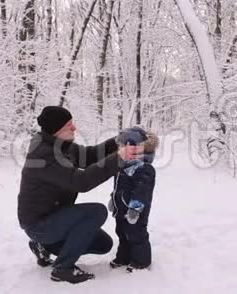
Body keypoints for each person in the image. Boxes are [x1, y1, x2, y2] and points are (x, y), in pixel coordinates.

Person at [18, 106, 142, 284]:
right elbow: (81, 182)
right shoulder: (44, 156)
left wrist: (116, 142)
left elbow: (89, 155)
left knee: (103, 244)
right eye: (69, 125)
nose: (74, 128)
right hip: (39, 223)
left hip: (55, 217)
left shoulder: (60, 145)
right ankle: (63, 268)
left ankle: (43, 246)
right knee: (97, 212)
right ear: (56, 130)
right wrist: (118, 158)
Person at [108, 127, 158, 272]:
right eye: (121, 147)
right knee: (122, 233)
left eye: (125, 146)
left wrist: (135, 208)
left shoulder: (144, 168)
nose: (121, 150)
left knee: (136, 235)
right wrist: (113, 198)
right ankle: (123, 257)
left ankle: (142, 262)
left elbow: (142, 192)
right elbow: (118, 186)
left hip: (135, 211)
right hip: (121, 209)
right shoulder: (122, 166)